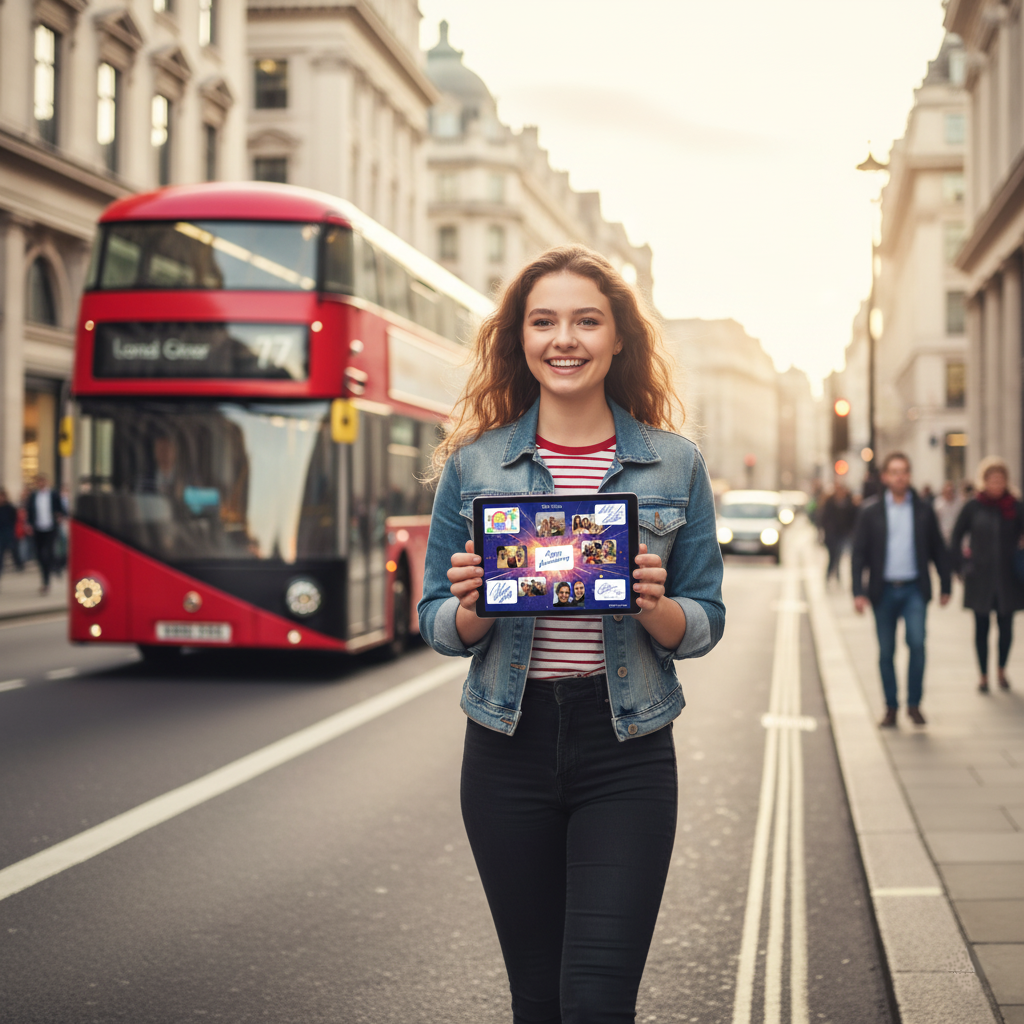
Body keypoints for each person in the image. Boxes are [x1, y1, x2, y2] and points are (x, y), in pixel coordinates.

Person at [417, 244, 725, 1023]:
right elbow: (435, 624)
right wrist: (475, 607)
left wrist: (655, 608)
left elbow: (705, 620)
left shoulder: (674, 466)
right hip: (505, 749)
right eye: (544, 320)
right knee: (540, 1000)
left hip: (625, 750)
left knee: (596, 1001)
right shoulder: (474, 466)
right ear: (518, 338)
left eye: (587, 320)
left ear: (619, 336)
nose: (565, 339)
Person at [851, 452, 951, 727]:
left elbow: (938, 550)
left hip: (913, 590)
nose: (899, 476)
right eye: (894, 471)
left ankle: (915, 704)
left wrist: (945, 584)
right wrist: (858, 591)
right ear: (885, 477)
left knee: (917, 644)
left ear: (909, 475)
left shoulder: (923, 510)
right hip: (883, 592)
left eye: (904, 471)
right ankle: (891, 706)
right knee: (886, 652)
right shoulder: (870, 511)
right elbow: (858, 554)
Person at [949, 457, 1024, 692]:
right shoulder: (973, 506)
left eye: (1000, 480)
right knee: (981, 628)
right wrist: (961, 566)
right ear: (985, 481)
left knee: (1006, 628)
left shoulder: (1015, 506)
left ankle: (1001, 669)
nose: (996, 484)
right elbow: (956, 536)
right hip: (979, 577)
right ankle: (983, 674)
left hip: (1008, 577)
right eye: (992, 480)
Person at [25, 473, 64, 594]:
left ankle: (49, 578)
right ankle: (46, 577)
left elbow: (61, 509)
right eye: (39, 482)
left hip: (51, 528)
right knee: (40, 555)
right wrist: (29, 524)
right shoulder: (33, 495)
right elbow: (29, 511)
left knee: (48, 552)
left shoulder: (53, 494)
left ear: (46, 482)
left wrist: (59, 516)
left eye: (43, 481)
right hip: (38, 528)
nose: (41, 484)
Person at [820, 482, 857, 584]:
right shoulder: (830, 502)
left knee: (839, 555)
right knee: (832, 556)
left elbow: (853, 517)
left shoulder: (849, 502)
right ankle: (829, 574)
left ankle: (837, 576)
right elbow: (824, 518)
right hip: (832, 535)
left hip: (843, 534)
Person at [0, 486, 22, 584]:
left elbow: (14, 520)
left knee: (14, 550)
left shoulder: (9, 508)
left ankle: (19, 564)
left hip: (8, 533)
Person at [933, 480, 965, 547]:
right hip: (943, 535)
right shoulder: (938, 504)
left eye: (951, 492)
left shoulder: (959, 503)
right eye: (947, 492)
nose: (949, 494)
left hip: (955, 535)